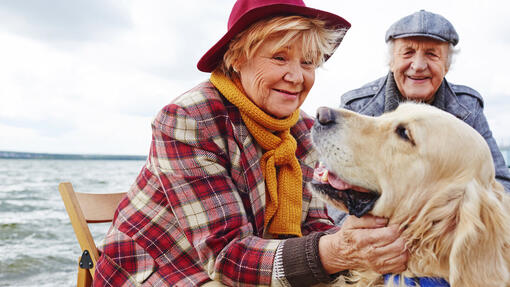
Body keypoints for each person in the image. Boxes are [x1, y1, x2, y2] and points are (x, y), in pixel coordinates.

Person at [93, 0, 408, 286]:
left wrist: (360, 241)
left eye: (308, 62)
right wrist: (337, 252)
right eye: (280, 57)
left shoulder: (304, 129)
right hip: (160, 267)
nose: (297, 77)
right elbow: (228, 257)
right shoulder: (188, 119)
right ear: (237, 58)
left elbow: (314, 224)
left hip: (246, 264)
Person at [328, 10, 510, 225]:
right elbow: (332, 187)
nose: (418, 65)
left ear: (447, 65)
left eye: (432, 54)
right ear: (391, 61)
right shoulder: (358, 107)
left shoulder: (467, 109)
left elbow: (499, 184)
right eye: (407, 53)